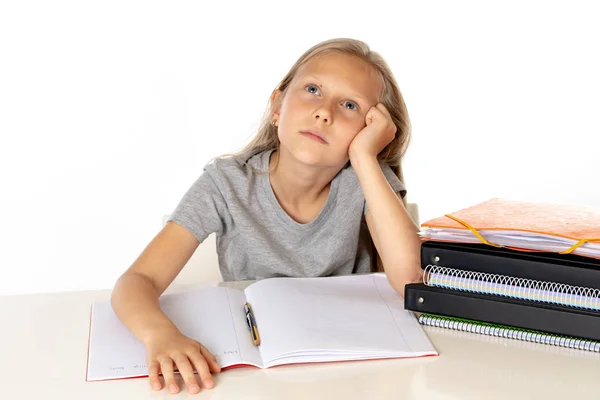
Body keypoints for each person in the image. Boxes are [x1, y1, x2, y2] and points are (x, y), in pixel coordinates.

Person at [110, 37, 423, 395]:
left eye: (349, 104)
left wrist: (367, 159)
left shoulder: (368, 182)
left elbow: (413, 281)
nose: (324, 112)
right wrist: (160, 335)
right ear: (277, 107)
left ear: (371, 129)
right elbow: (137, 280)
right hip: (251, 378)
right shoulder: (227, 183)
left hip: (349, 367)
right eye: (312, 89)